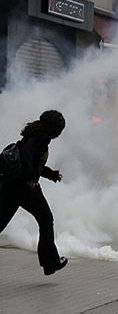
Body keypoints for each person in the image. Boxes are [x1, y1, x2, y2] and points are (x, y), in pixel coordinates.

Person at [0, 110, 68, 275]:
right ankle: (50, 262)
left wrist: (50, 174)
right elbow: (25, 156)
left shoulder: (35, 134)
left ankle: (50, 262)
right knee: (46, 220)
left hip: (11, 187)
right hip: (24, 188)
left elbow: (32, 161)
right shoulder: (41, 137)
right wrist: (31, 180)